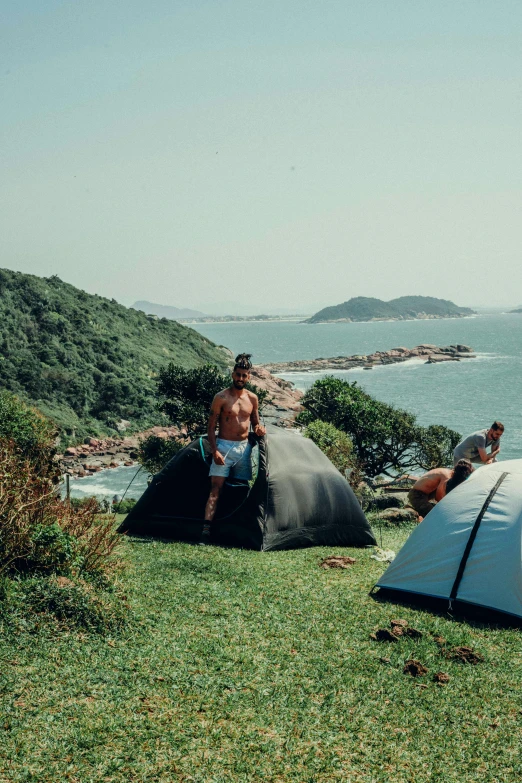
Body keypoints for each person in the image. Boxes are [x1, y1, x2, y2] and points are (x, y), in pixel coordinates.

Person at [200, 353, 266, 544]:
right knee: (215, 489)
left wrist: (259, 429)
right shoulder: (220, 397)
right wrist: (215, 451)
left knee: (242, 489)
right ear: (232, 374)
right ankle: (205, 531)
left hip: (244, 449)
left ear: (249, 377)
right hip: (223, 447)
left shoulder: (252, 398)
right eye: (238, 375)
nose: (240, 379)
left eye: (244, 375)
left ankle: (239, 529)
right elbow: (211, 427)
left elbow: (255, 423)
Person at [407, 459, 474, 520]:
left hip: (427, 495)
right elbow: (439, 498)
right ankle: (414, 512)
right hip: (417, 495)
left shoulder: (450, 474)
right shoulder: (446, 477)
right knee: (435, 516)